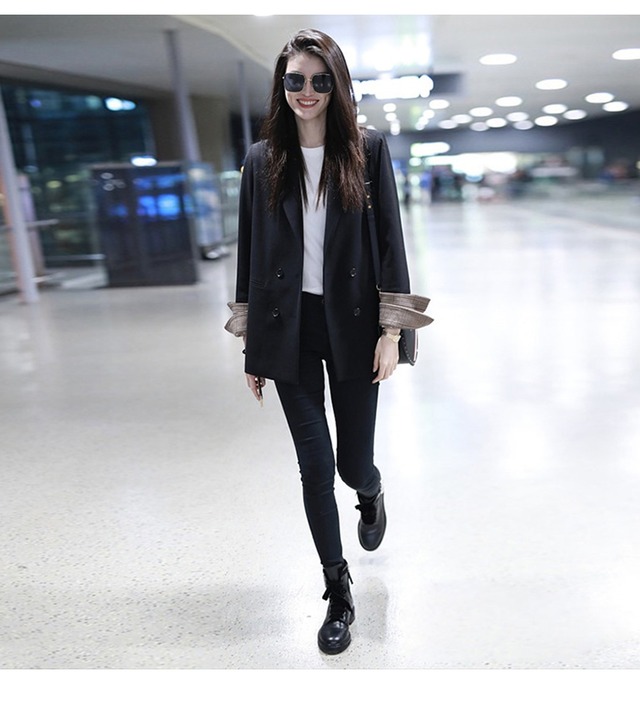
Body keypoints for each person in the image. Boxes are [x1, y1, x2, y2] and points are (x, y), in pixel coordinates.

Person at [225, 28, 432, 655]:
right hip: (288, 326)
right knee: (314, 466)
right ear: (282, 86)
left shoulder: (367, 150)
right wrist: (252, 343)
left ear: (337, 85)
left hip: (354, 323)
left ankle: (370, 490)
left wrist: (391, 331)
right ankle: (338, 592)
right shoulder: (263, 159)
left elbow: (391, 242)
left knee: (349, 464)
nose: (307, 91)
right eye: (295, 80)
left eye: (319, 80)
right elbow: (250, 253)